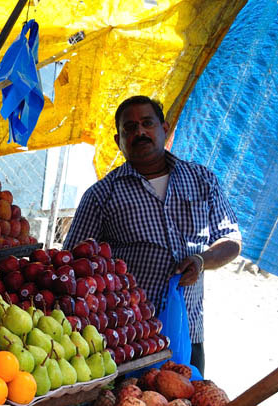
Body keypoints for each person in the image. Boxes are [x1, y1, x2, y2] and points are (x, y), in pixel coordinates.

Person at [64, 95, 242, 374]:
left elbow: (231, 240)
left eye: (147, 123)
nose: (140, 132)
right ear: (118, 140)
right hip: (127, 339)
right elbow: (71, 263)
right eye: (130, 128)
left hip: (188, 329)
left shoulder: (201, 180)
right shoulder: (102, 195)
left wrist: (201, 260)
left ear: (165, 129)